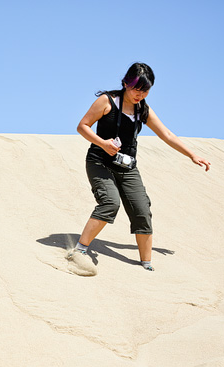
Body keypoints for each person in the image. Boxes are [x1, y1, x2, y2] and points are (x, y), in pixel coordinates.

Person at [71, 62, 211, 271]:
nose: (140, 94)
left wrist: (192, 154)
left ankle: (146, 266)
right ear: (126, 83)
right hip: (100, 161)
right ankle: (79, 251)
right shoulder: (107, 101)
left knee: (142, 210)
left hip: (127, 167)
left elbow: (167, 135)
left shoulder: (142, 109)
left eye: (145, 90)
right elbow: (82, 126)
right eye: (137, 89)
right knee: (110, 203)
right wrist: (103, 143)